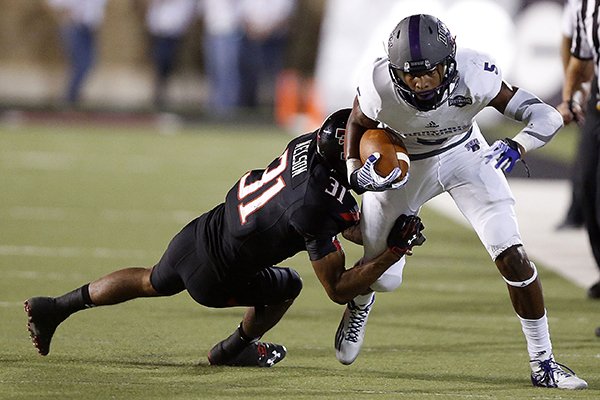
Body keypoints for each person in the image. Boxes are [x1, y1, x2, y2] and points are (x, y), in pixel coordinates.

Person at [24, 109, 426, 367]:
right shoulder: (319, 203)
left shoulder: (308, 145)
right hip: (219, 275)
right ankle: (233, 350)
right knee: (288, 286)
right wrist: (393, 250)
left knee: (151, 280)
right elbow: (338, 288)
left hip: (202, 232)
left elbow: (330, 217)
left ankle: (55, 307)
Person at [334, 14, 588, 390]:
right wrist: (356, 172)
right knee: (383, 277)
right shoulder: (378, 84)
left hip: (465, 155)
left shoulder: (476, 72)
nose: (419, 82)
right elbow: (356, 123)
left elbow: (545, 115)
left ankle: (543, 362)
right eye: (409, 74)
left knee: (513, 255)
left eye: (429, 72)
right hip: (404, 164)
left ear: (450, 64)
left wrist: (518, 145)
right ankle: (360, 303)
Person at [556, 1, 600, 304]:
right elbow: (579, 56)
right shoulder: (586, 5)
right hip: (598, 101)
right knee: (587, 189)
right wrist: (569, 97)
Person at [555, 0, 589, 231]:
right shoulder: (581, 6)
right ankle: (577, 211)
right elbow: (571, 46)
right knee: (588, 162)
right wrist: (575, 92)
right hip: (594, 92)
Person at [45, 0, 107, 106]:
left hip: (90, 28)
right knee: (82, 64)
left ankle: (72, 97)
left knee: (88, 63)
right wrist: (62, 17)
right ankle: (69, 98)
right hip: (74, 26)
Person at [238, 0, 296, 110]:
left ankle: (274, 107)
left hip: (275, 39)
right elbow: (243, 13)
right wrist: (254, 31)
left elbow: (286, 16)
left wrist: (268, 31)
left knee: (273, 76)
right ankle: (250, 106)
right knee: (251, 74)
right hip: (252, 38)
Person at [144, 0, 199, 109]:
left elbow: (192, 9)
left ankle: (165, 96)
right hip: (161, 31)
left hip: (176, 31)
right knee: (161, 64)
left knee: (171, 65)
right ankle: (159, 96)